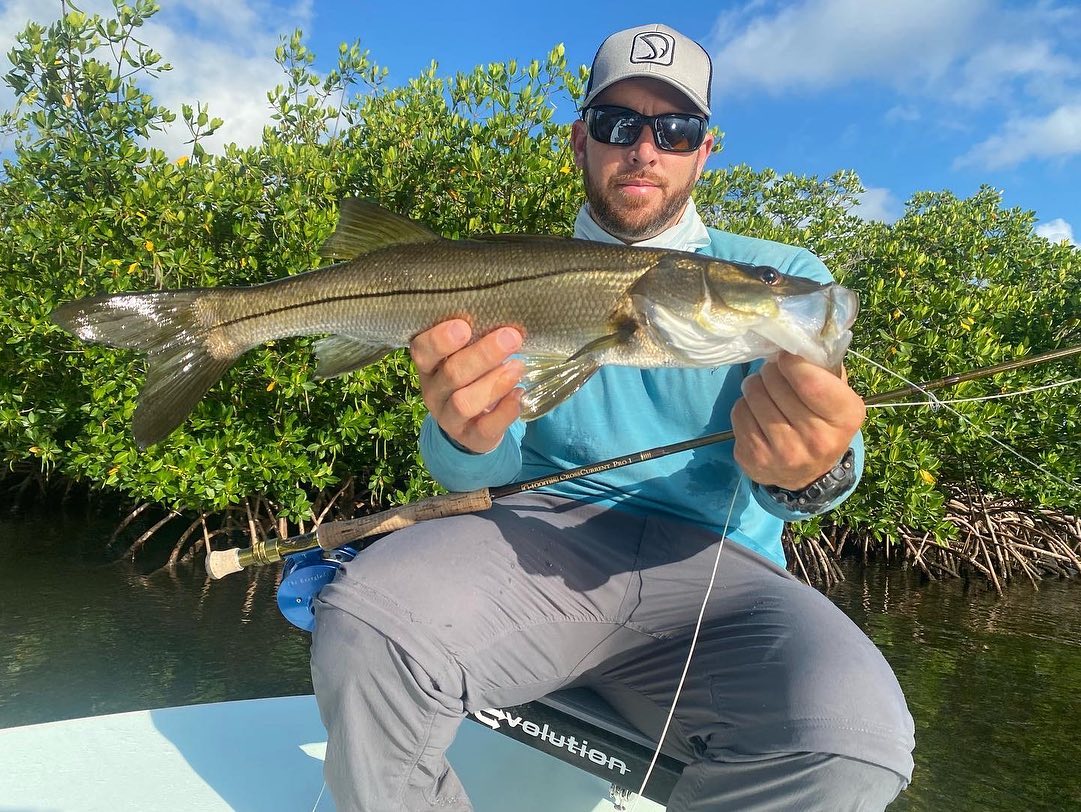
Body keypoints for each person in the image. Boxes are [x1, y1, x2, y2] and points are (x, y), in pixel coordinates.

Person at [311, 22, 915, 812]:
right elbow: (476, 472)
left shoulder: (782, 278)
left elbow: (817, 466)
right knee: (365, 623)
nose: (644, 149)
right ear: (579, 141)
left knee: (852, 744)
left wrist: (813, 470)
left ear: (705, 150)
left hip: (721, 579)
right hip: (522, 546)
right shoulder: (511, 271)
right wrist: (466, 433)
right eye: (617, 124)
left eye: (675, 129)